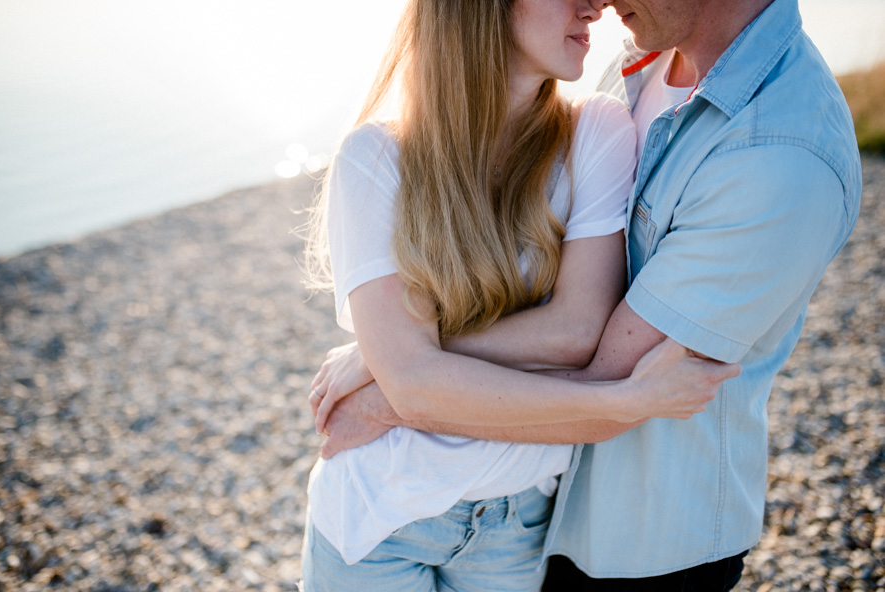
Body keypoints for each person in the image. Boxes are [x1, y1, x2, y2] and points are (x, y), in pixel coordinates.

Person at [310, 0, 862, 589]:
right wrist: (395, 359)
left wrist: (395, 383)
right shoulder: (640, 64)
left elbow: (595, 357)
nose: (596, 2)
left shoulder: (779, 152)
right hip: (414, 516)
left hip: (642, 541)